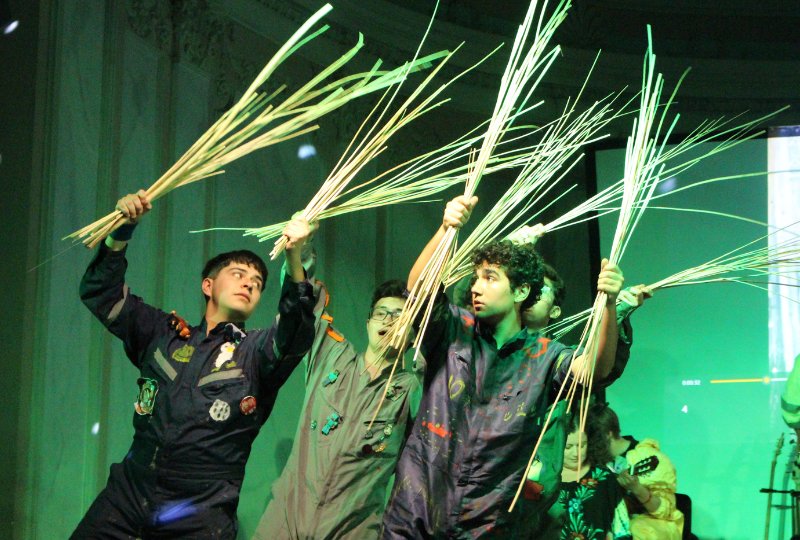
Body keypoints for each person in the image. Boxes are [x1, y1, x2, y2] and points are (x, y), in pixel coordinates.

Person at [71, 189, 316, 539]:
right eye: (238, 274)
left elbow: (296, 330)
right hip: (129, 494)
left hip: (200, 510)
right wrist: (123, 229)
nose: (249, 283)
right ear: (208, 285)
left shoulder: (254, 353)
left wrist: (296, 257)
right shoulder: (163, 334)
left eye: (258, 283)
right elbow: (101, 293)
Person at [381, 195, 627, 538]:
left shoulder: (545, 357)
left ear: (521, 291)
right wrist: (446, 228)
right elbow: (418, 291)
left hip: (485, 523)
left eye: (490, 278)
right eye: (476, 278)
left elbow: (593, 371)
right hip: (415, 511)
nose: (477, 287)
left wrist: (610, 305)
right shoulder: (453, 329)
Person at [252, 232, 422, 539]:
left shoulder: (412, 390)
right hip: (284, 523)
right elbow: (303, 306)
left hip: (351, 531)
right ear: (368, 323)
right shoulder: (332, 353)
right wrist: (298, 251)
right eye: (381, 313)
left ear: (413, 336)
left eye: (400, 316)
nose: (388, 320)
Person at [588, 403, 684, 540]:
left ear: (608, 434)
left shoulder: (645, 456)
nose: (587, 446)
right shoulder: (592, 459)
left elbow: (666, 511)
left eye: (591, 441)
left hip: (646, 527)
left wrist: (637, 488)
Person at [538, 414, 631, 540]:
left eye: (582, 445)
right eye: (568, 447)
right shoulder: (543, 480)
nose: (576, 453)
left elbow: (621, 529)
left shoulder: (604, 478)